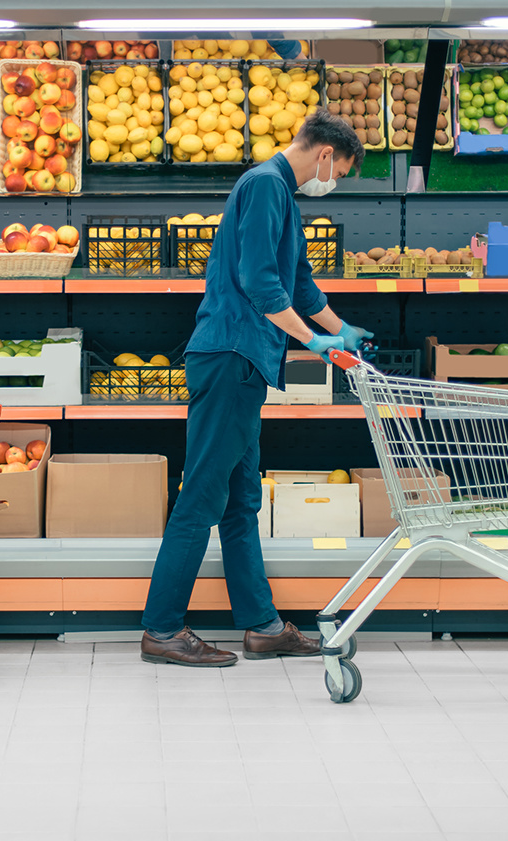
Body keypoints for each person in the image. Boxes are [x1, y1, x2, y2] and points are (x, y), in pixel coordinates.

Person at [141, 110, 370, 667]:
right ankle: (162, 629)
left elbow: (299, 283)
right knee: (201, 495)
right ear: (324, 155)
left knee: (242, 500)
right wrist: (312, 342)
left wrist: (338, 328)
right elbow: (261, 283)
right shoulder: (267, 185)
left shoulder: (280, 196)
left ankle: (262, 626)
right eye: (339, 170)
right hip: (230, 355)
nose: (333, 182)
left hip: (243, 362)